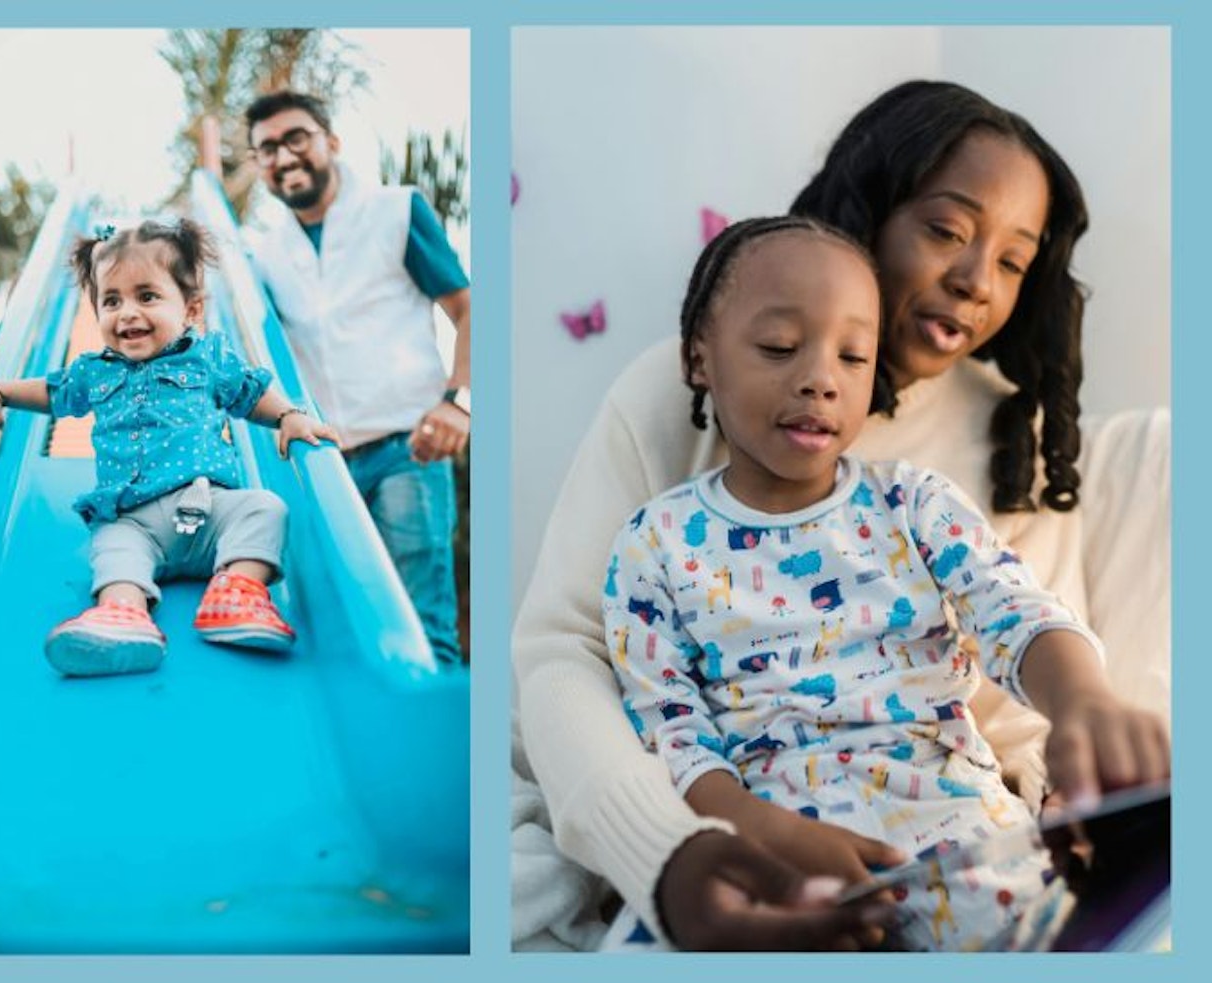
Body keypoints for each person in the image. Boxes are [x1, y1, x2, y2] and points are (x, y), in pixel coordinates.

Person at [512, 80, 1171, 951]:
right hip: (732, 818)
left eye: (1013, 260)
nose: (976, 280)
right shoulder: (673, 444)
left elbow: (1015, 637)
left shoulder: (989, 450)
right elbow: (580, 659)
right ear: (874, 210)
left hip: (938, 819)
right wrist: (678, 851)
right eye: (946, 230)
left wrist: (1078, 726)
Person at [0, 219, 338, 677]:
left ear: (190, 309)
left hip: (209, 508)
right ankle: (124, 614)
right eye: (111, 301)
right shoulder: (96, 370)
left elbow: (250, 393)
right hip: (135, 521)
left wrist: (290, 416)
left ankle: (239, 590)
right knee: (111, 546)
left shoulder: (207, 357)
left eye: (147, 296)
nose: (127, 313)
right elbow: (52, 391)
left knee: (265, 509)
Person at [244, 90, 471, 663]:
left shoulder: (396, 209)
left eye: (296, 137)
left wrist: (455, 402)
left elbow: (470, 308)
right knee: (338, 630)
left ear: (331, 142)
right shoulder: (263, 254)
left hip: (406, 450)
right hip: (323, 466)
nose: (284, 156)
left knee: (421, 623)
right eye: (266, 149)